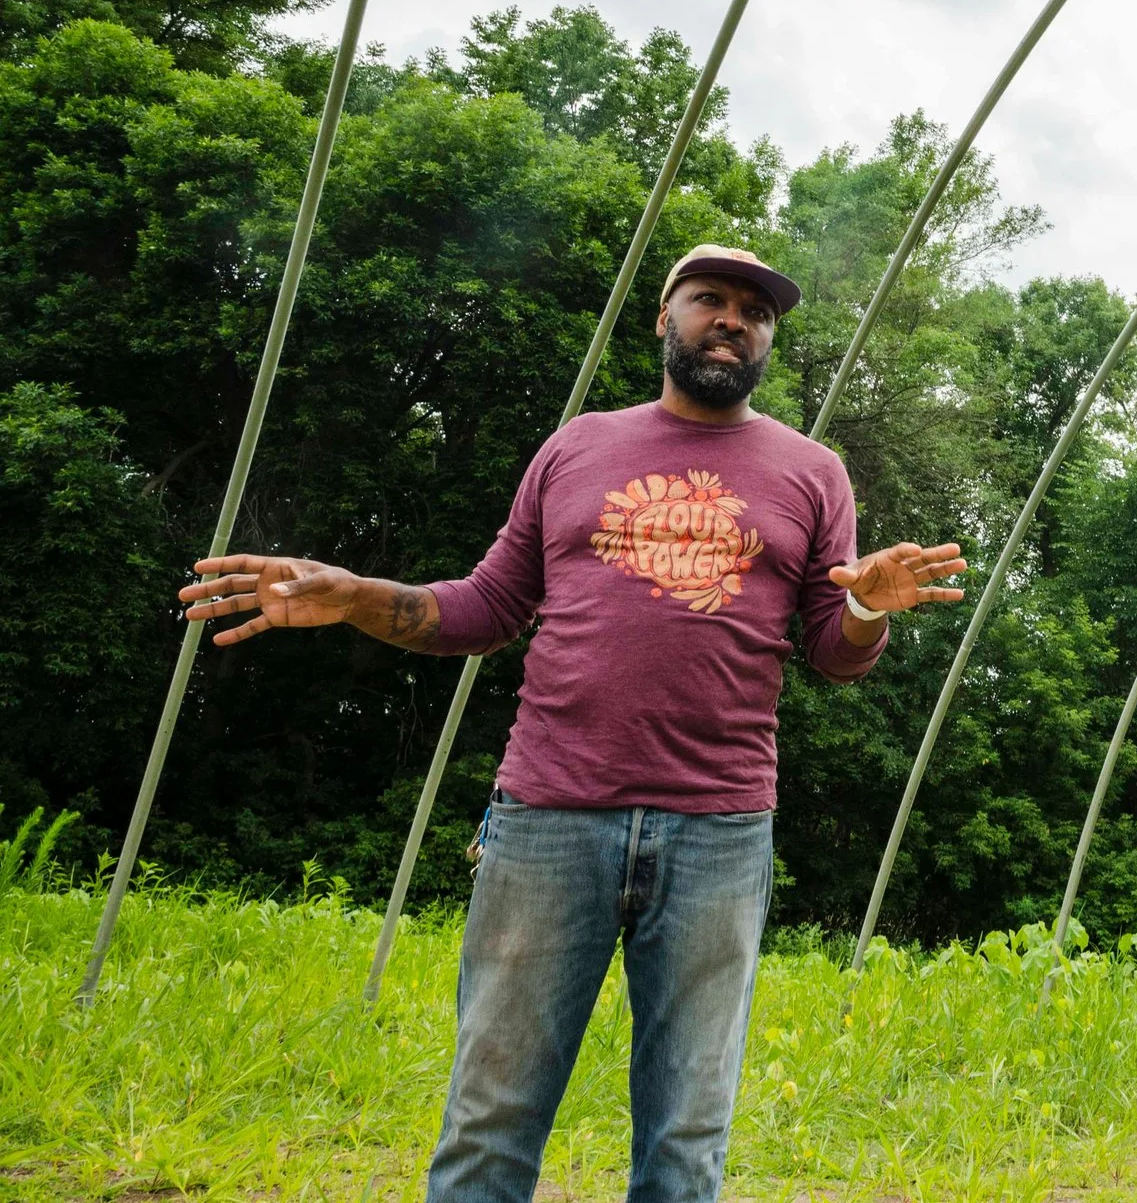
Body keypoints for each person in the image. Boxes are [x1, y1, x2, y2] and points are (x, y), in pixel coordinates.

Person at [179, 242, 967, 1203]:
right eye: (709, 299)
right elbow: (487, 606)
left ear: (768, 341)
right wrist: (355, 595)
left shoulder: (812, 471)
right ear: (664, 318)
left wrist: (870, 606)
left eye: (755, 313)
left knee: (687, 1134)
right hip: (548, 816)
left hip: (721, 829)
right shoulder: (575, 448)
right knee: (491, 1116)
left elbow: (832, 654)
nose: (733, 320)